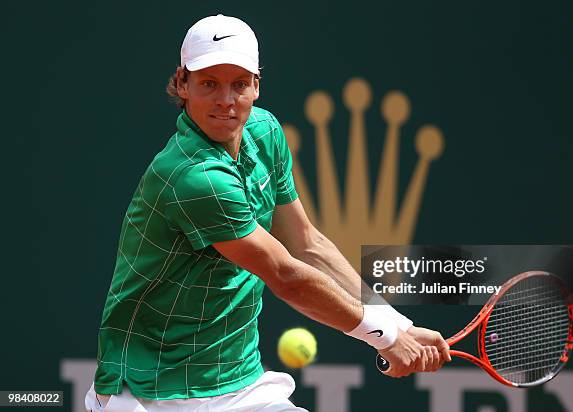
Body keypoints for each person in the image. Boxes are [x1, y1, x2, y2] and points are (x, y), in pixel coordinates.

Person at [85, 14, 451, 412]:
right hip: (153, 391)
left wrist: (398, 324)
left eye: (239, 84)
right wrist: (383, 338)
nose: (226, 100)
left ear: (257, 86)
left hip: (239, 382)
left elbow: (307, 243)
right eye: (209, 83)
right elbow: (286, 274)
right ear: (182, 83)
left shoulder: (264, 132)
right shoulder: (194, 177)